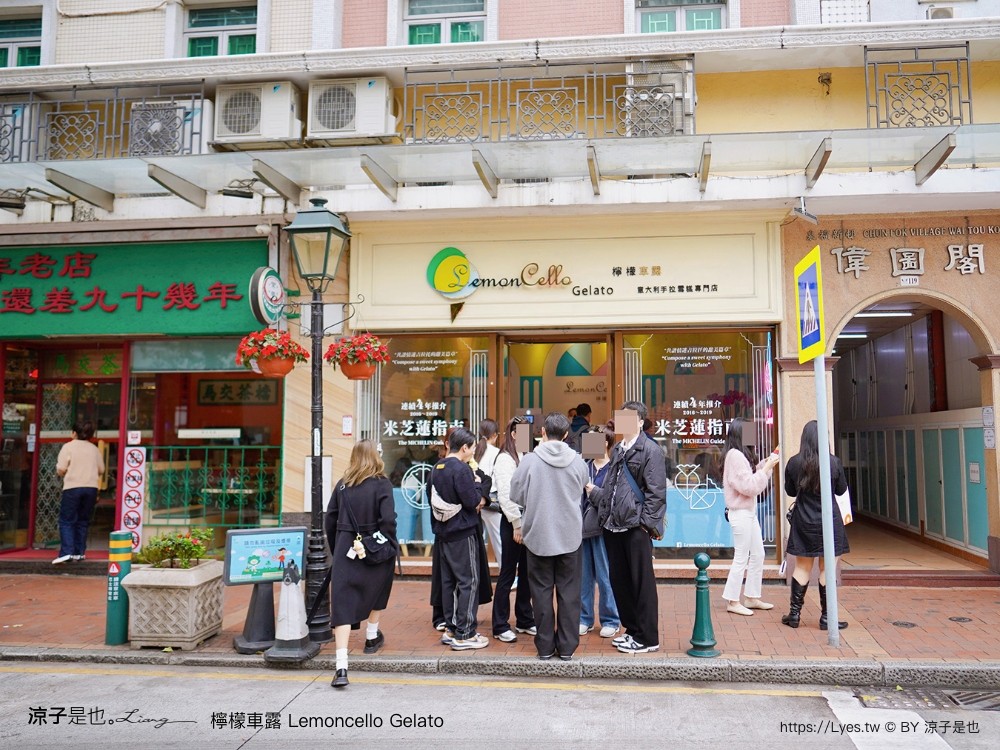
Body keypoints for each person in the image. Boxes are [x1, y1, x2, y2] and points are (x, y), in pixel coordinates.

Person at [587, 400, 666, 654]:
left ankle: (648, 637)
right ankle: (632, 630)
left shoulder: (650, 450)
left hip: (635, 528)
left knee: (641, 583)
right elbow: (611, 488)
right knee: (619, 581)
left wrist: (645, 525)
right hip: (613, 526)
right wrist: (595, 496)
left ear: (640, 422)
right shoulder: (619, 448)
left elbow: (656, 494)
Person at [510, 412, 589, 660]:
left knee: (541, 594)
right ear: (566, 435)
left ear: (543, 432)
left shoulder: (529, 461)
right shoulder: (578, 462)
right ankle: (566, 648)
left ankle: (544, 648)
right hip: (570, 537)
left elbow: (516, 496)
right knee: (569, 594)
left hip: (538, 536)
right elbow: (582, 491)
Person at [325, 439, 399, 688]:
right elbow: (388, 520)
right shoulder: (382, 484)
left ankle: (342, 667)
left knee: (342, 606)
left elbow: (330, 519)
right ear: (375, 457)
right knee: (377, 590)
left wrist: (339, 549)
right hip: (374, 548)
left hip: (346, 549)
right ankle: (371, 637)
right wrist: (386, 542)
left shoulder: (343, 486)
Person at [783, 420, 851, 630]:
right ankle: (827, 618)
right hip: (829, 522)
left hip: (803, 521)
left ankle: (794, 615)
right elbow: (840, 491)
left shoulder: (794, 463)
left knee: (802, 567)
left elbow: (790, 492)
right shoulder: (834, 462)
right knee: (827, 569)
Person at [431, 427, 491, 650]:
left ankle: (450, 629)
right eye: (473, 448)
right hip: (462, 533)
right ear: (464, 447)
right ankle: (465, 634)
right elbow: (472, 500)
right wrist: (476, 482)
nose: (473, 452)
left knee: (449, 582)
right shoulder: (462, 470)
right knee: (468, 581)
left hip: (443, 534)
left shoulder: (437, 467)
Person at [720, 418, 780, 616]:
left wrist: (767, 464)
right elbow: (749, 486)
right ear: (740, 434)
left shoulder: (737, 455)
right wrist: (766, 468)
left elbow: (751, 477)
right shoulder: (735, 455)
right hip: (741, 513)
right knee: (742, 557)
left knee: (758, 554)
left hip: (747, 513)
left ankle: (752, 597)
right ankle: (732, 600)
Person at [491, 416, 536, 642]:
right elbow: (505, 496)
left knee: (528, 573)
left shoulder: (527, 456)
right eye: (523, 432)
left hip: (528, 521)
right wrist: (517, 524)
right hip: (512, 524)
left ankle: (525, 619)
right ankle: (500, 625)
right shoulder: (505, 459)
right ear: (514, 434)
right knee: (508, 573)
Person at [579, 424, 621, 639]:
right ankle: (584, 618)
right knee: (584, 577)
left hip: (605, 530)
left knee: (605, 576)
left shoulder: (614, 468)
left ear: (605, 442)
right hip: (583, 529)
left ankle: (611, 619)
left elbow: (612, 499)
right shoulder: (583, 467)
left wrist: (592, 490)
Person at [54, 420, 104, 564]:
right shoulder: (94, 449)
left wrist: (62, 472)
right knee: (83, 521)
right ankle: (79, 552)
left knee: (67, 520)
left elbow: (61, 468)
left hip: (72, 487)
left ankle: (66, 552)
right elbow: (101, 469)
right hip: (91, 488)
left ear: (74, 433)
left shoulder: (68, 447)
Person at [474, 418, 503, 568]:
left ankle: (476, 575)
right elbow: (498, 478)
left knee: (476, 541)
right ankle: (507, 575)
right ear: (495, 435)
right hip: (491, 501)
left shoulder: (474, 450)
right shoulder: (497, 453)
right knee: (499, 540)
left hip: (475, 501)